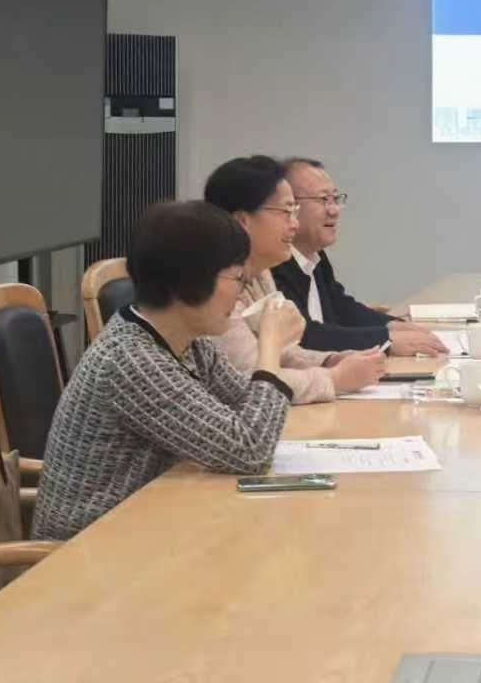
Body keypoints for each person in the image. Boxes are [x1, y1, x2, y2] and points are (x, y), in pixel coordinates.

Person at [33, 201, 303, 540]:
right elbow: (250, 451)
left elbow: (248, 409)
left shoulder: (187, 341)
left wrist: (270, 354)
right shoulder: (130, 359)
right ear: (188, 281)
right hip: (91, 550)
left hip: (150, 527)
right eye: (237, 277)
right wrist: (270, 345)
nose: (241, 291)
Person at [203, 155, 387, 403]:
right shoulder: (215, 284)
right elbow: (248, 378)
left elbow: (282, 352)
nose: (294, 225)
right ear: (243, 221)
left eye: (295, 212)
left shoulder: (259, 272)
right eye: (286, 212)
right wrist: (334, 378)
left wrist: (330, 360)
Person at [270, 157, 447, 356]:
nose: (334, 210)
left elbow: (342, 307)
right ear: (289, 205)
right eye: (323, 200)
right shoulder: (273, 265)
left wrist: (394, 326)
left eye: (335, 199)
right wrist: (386, 340)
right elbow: (305, 335)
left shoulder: (314, 256)